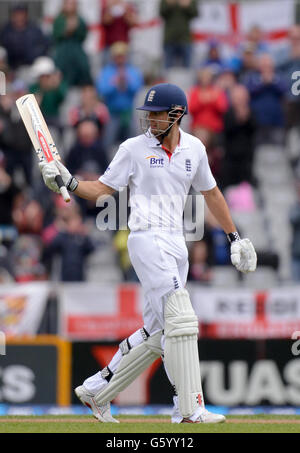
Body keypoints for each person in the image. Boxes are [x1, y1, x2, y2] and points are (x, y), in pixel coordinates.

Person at [39, 82, 257, 424]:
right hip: (146, 238)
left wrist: (235, 237)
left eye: (157, 115)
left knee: (158, 333)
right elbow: (102, 189)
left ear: (177, 114)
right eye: (149, 114)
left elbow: (212, 194)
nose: (150, 120)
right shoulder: (133, 148)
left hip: (177, 243)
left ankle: (98, 390)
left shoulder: (195, 149)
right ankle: (189, 408)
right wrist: (70, 182)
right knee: (181, 318)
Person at [96, 41, 143, 151]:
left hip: (128, 112)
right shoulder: (106, 71)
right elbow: (102, 90)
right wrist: (115, 84)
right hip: (112, 113)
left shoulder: (133, 71)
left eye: (122, 56)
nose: (120, 58)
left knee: (134, 144)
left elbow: (136, 88)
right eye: (117, 56)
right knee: (107, 142)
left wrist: (126, 81)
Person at [52, 0, 92, 87]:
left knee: (84, 68)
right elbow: (56, 35)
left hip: (76, 51)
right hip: (62, 52)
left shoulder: (80, 19)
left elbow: (83, 35)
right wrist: (67, 30)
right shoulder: (59, 19)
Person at [0, 2, 49, 70]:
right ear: (12, 15)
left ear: (26, 14)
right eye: (16, 14)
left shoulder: (34, 29)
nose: (19, 17)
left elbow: (43, 47)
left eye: (21, 13)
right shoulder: (6, 31)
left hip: (31, 67)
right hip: (11, 68)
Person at [159, 0, 198, 69]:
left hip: (185, 38)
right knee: (167, 70)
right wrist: (169, 4)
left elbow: (195, 13)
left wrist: (187, 6)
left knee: (187, 69)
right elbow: (161, 13)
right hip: (169, 38)